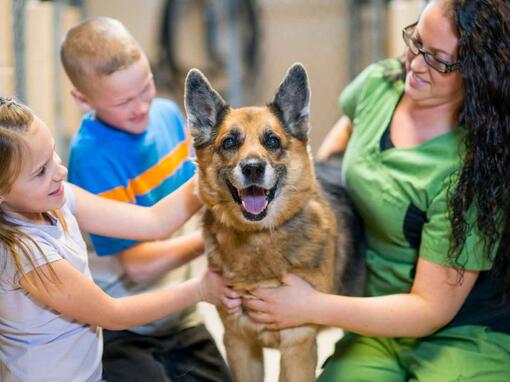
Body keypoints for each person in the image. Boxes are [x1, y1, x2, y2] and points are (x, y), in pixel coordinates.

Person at [244, 0, 510, 380]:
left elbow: (430, 309)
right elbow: (350, 128)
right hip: (376, 315)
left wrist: (311, 306)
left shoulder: (470, 170)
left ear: (477, 74)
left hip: (462, 330)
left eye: (437, 59)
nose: (415, 65)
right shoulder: (381, 83)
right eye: (415, 41)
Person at [0, 97, 241, 382]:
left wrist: (212, 170)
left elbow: (155, 222)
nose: (60, 172)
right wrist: (200, 290)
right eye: (40, 171)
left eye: (53, 154)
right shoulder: (29, 255)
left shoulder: (58, 199)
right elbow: (112, 313)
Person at [61, 17, 233, 381]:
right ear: (82, 100)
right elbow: (137, 265)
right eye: (124, 101)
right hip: (124, 324)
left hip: (180, 314)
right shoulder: (92, 155)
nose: (141, 107)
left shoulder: (168, 114)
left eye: (146, 87)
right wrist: (212, 240)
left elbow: (205, 201)